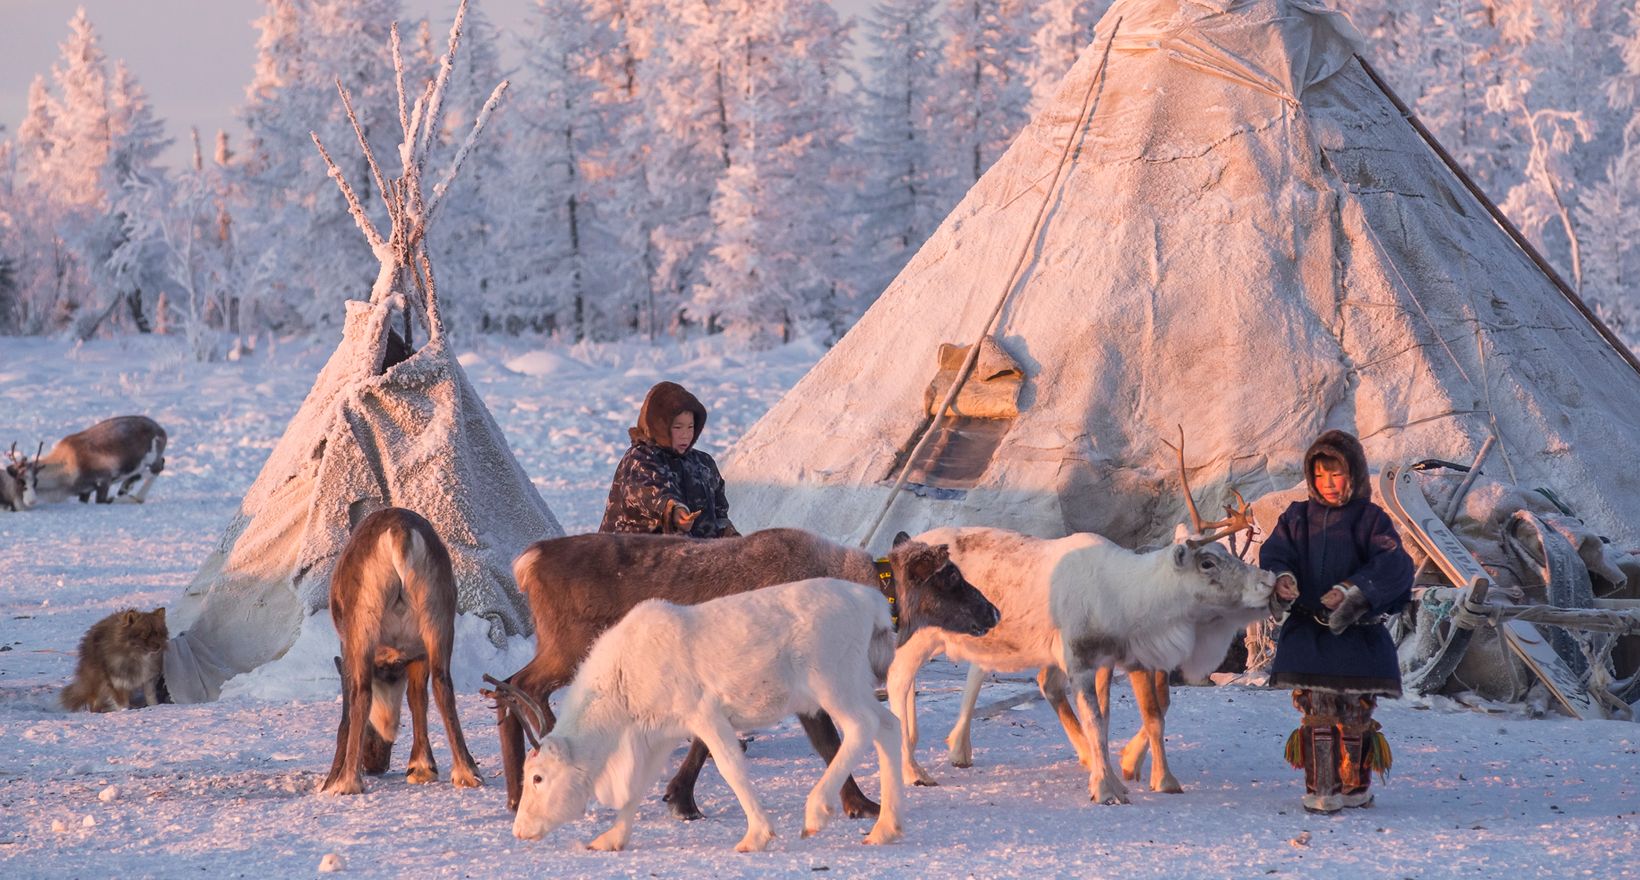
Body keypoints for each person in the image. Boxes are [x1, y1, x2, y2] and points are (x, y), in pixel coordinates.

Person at [1260, 429, 1413, 813]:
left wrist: (1351, 590)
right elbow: (1276, 553)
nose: (1328, 484)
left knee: (1355, 713)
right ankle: (1322, 788)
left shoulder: (1371, 520)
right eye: (1320, 475)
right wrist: (1284, 579)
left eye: (1337, 474)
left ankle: (1354, 786)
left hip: (1357, 639)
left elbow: (1394, 563)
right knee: (1318, 713)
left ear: (1355, 474)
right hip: (1310, 636)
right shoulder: (1296, 517)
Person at [599, 381, 738, 538]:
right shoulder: (639, 459)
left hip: (692, 558)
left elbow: (719, 515)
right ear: (659, 426)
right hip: (632, 557)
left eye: (690, 427)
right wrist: (674, 510)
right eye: (677, 427)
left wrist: (732, 540)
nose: (686, 434)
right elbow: (649, 492)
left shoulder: (703, 464)